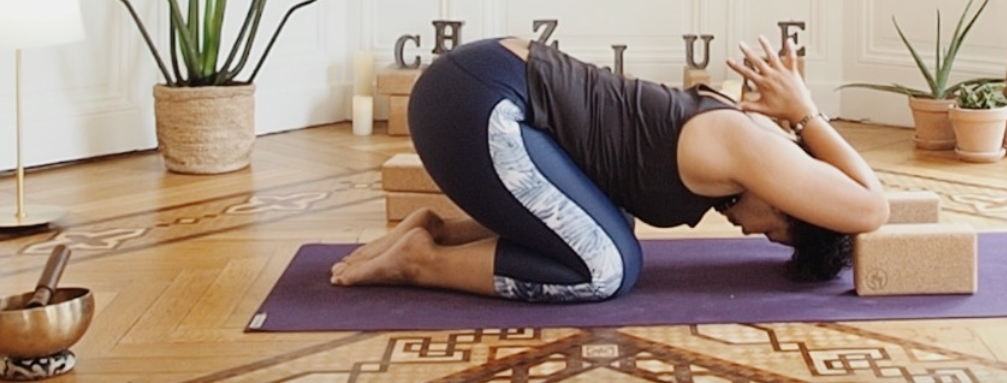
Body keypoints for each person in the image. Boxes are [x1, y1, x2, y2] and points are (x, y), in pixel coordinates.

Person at [330, 33, 890, 302]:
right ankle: (421, 264)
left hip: (475, 91)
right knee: (606, 268)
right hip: (478, 101)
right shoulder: (754, 146)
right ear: (794, 198)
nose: (748, 230)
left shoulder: (742, 145)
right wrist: (807, 113)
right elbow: (871, 207)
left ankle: (436, 233)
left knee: (608, 226)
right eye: (774, 227)